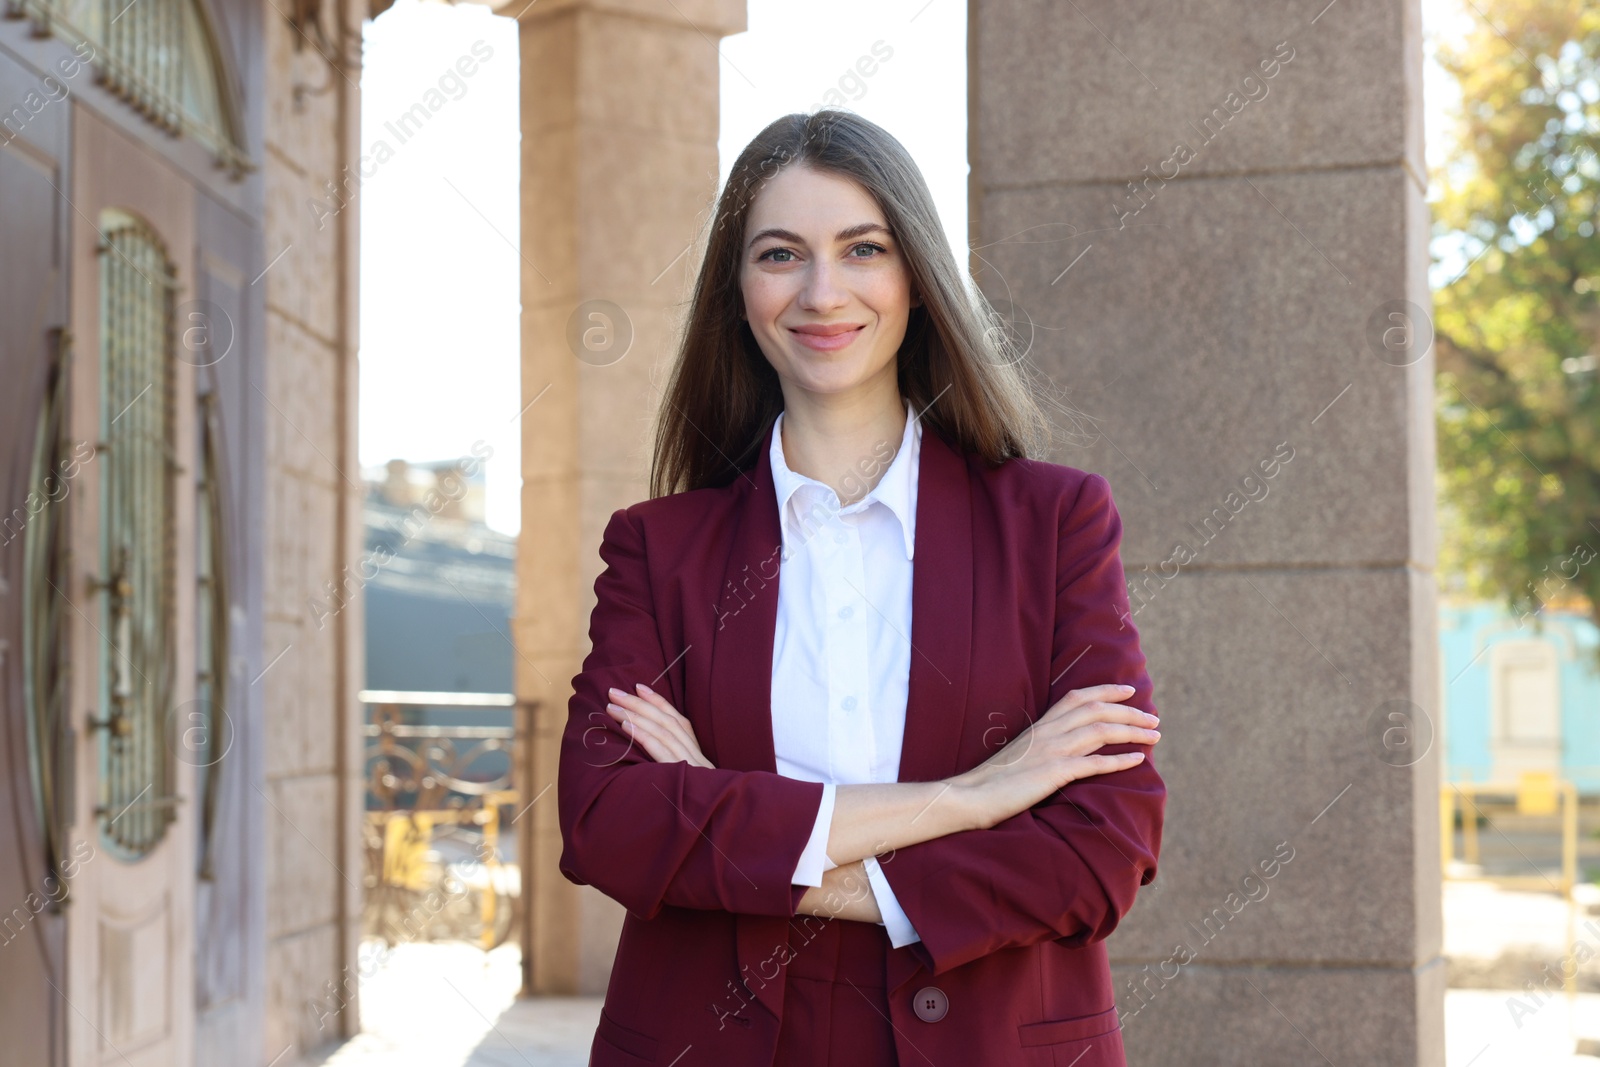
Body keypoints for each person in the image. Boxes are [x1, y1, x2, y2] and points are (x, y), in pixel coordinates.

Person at [556, 108, 1165, 1067]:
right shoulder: (656, 549)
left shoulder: (1054, 525)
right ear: (738, 291)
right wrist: (971, 797)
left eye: (862, 248)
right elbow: (607, 825)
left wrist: (720, 813)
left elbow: (1101, 852)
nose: (822, 291)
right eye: (780, 254)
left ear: (916, 276)